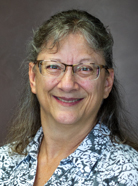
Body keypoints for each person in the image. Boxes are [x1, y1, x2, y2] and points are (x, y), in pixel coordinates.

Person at [0, 9, 138, 186]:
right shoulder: (4, 163)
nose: (67, 84)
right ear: (33, 77)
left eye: (85, 68)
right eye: (53, 66)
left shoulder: (129, 175)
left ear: (107, 83)